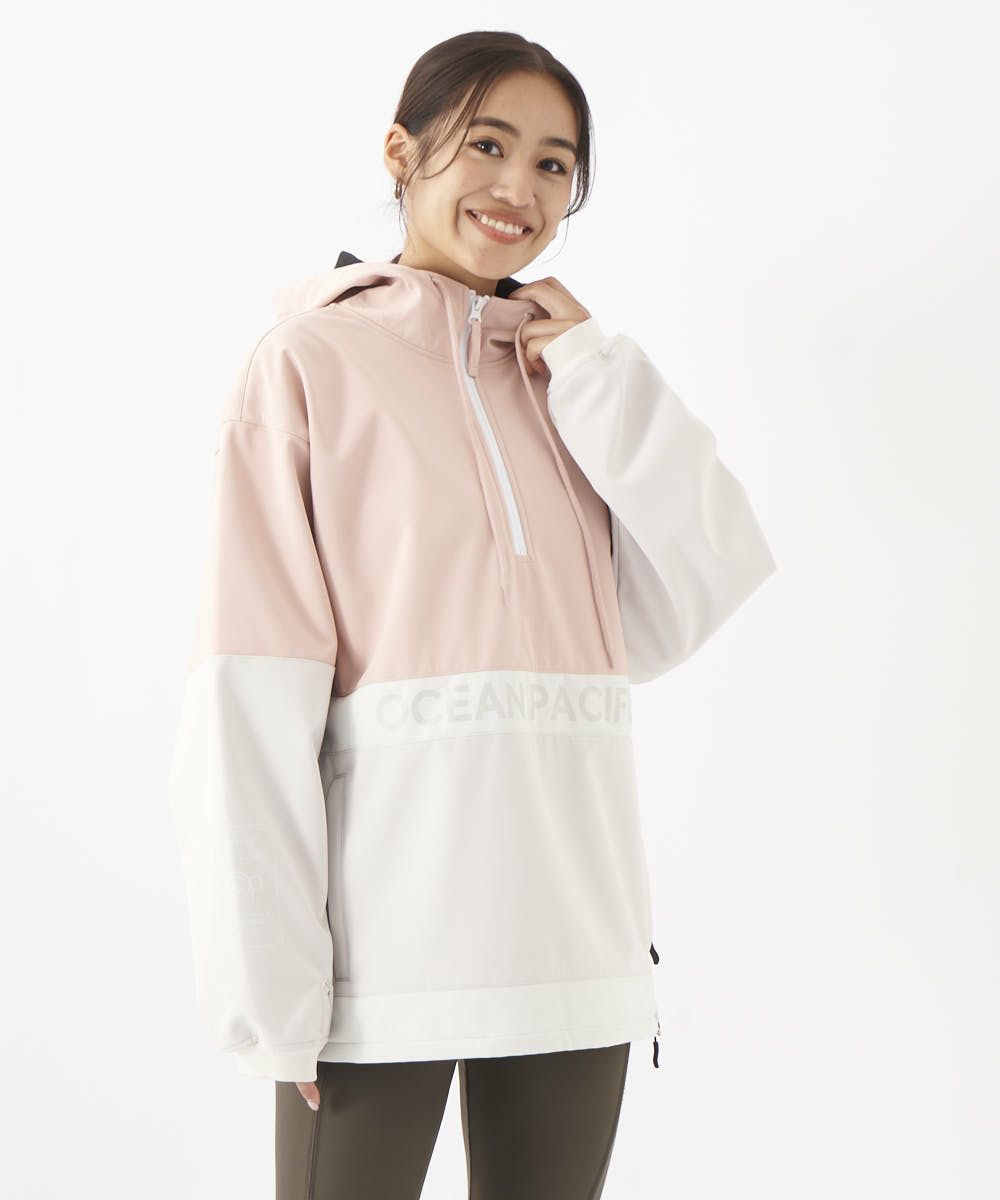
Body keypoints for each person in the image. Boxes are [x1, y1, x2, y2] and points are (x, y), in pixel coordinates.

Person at [166, 29, 778, 1199]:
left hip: (575, 944)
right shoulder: (305, 364)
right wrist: (273, 992)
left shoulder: (567, 383)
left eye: (554, 165)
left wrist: (595, 368)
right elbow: (248, 699)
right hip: (376, 965)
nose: (519, 187)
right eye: (486, 145)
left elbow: (702, 582)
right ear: (401, 153)